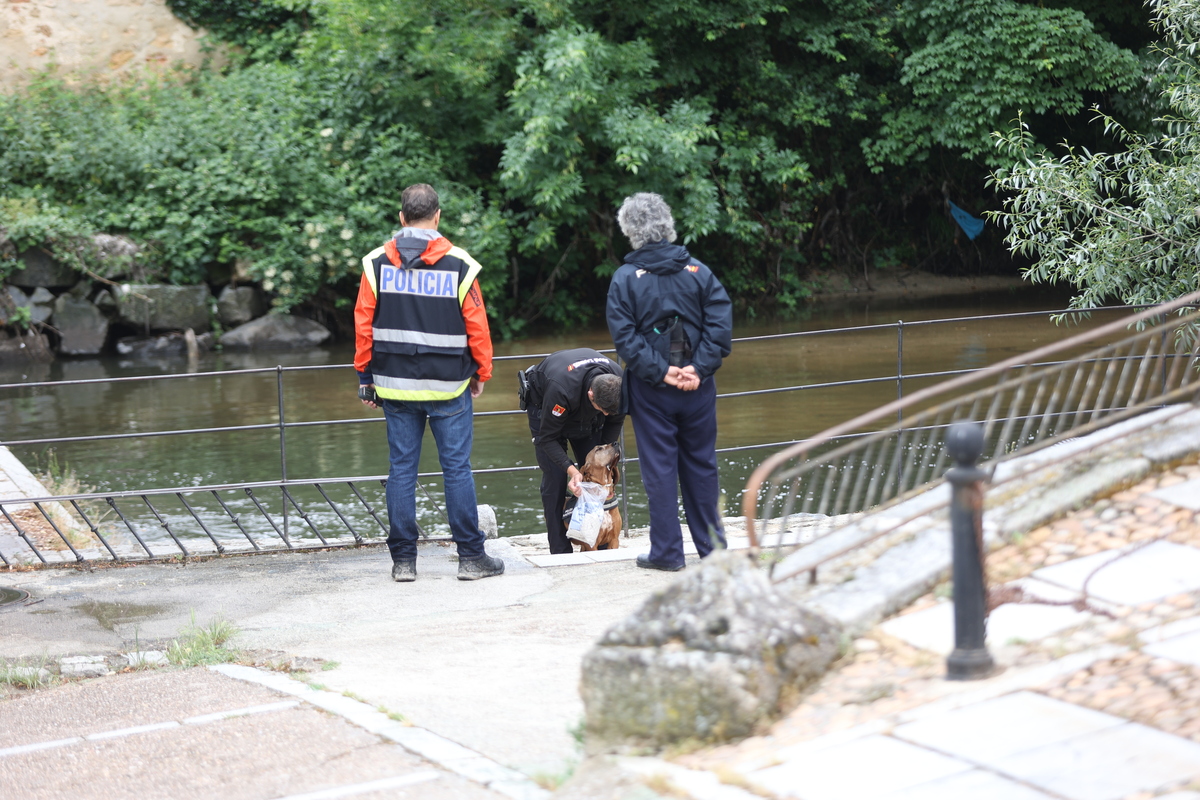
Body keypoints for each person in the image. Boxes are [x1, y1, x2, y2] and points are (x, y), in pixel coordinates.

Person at [354, 183, 504, 582]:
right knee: (456, 469)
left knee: (401, 470)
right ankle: (471, 558)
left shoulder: (375, 264)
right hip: (449, 386)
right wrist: (481, 374)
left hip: (394, 387)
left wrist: (365, 378)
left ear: (401, 218)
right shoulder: (459, 264)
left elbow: (363, 324)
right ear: (437, 216)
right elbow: (478, 326)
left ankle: (403, 562)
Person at [605, 192, 733, 571]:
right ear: (667, 225)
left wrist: (661, 371)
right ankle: (714, 552)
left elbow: (625, 339)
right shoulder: (699, 272)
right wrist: (699, 367)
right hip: (698, 387)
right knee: (702, 465)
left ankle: (667, 553)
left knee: (659, 470)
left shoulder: (625, 279)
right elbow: (720, 325)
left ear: (630, 231)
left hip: (652, 390)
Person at [521, 348, 624, 553]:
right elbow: (547, 438)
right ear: (591, 394)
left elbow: (614, 420)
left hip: (586, 416)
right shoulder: (561, 389)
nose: (606, 413)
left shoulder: (619, 383)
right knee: (555, 479)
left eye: (608, 411)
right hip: (547, 410)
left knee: (596, 475)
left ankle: (600, 542)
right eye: (602, 409)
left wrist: (601, 456)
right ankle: (560, 550)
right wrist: (572, 471)